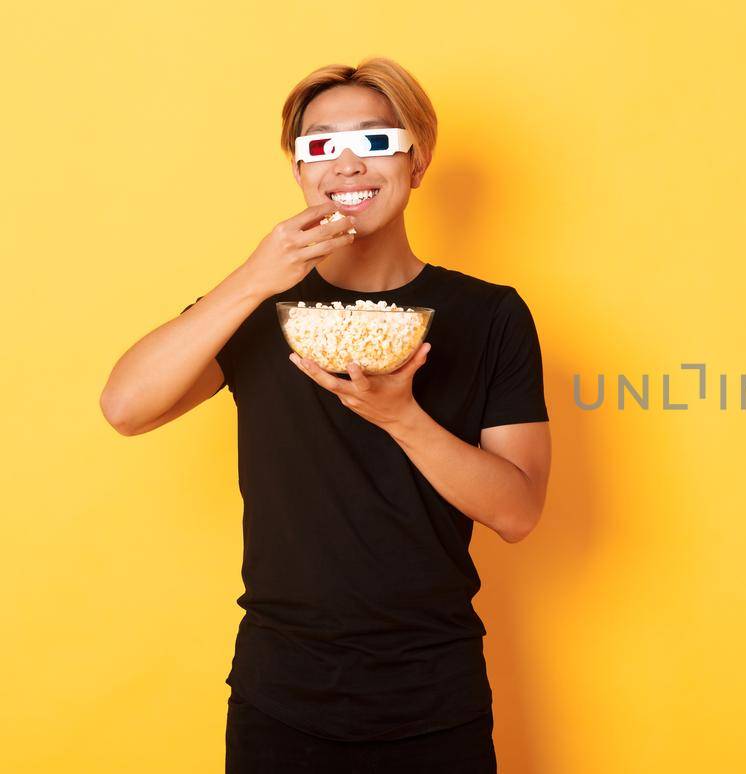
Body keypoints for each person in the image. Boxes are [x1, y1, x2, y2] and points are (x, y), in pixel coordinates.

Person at [99, 57, 552, 773]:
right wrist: (255, 277)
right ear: (299, 171)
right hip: (281, 693)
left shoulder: (489, 314)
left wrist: (402, 416)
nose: (346, 163)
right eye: (319, 146)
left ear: (417, 159)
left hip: (434, 693)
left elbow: (519, 511)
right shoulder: (256, 310)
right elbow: (125, 408)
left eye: (374, 141)